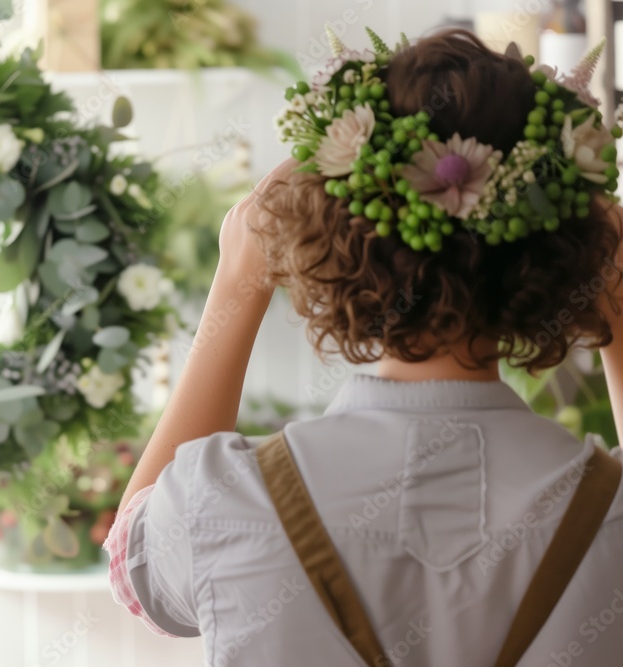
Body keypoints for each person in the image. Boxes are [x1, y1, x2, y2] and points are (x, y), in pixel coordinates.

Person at [104, 29, 623, 666]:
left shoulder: (227, 498)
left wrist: (238, 283)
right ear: (560, 253)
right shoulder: (609, 509)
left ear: (335, 238)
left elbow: (134, 564)